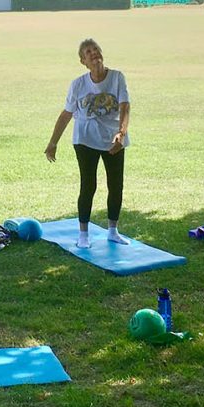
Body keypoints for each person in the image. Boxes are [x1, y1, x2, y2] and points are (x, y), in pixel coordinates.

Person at [45, 39, 131, 249]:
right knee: (88, 185)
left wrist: (121, 133)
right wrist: (53, 142)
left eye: (96, 50)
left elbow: (125, 106)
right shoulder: (78, 84)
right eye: (88, 52)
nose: (93, 54)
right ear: (83, 61)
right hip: (85, 139)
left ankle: (113, 231)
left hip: (113, 139)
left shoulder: (117, 77)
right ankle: (83, 233)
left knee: (116, 184)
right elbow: (67, 113)